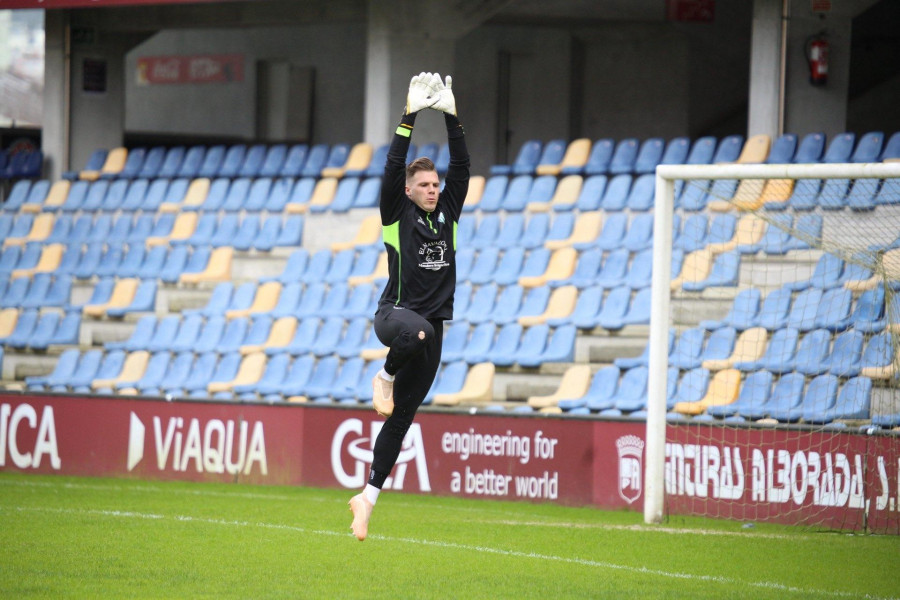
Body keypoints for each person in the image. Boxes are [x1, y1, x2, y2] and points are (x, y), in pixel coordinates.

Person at [349, 72, 469, 541]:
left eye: (436, 183)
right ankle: (383, 376)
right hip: (394, 319)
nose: (434, 188)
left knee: (402, 420)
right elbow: (393, 164)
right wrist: (410, 116)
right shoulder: (396, 214)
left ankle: (366, 500)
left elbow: (462, 165)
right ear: (409, 190)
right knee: (417, 332)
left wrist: (452, 118)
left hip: (432, 331)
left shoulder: (448, 214)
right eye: (424, 184)